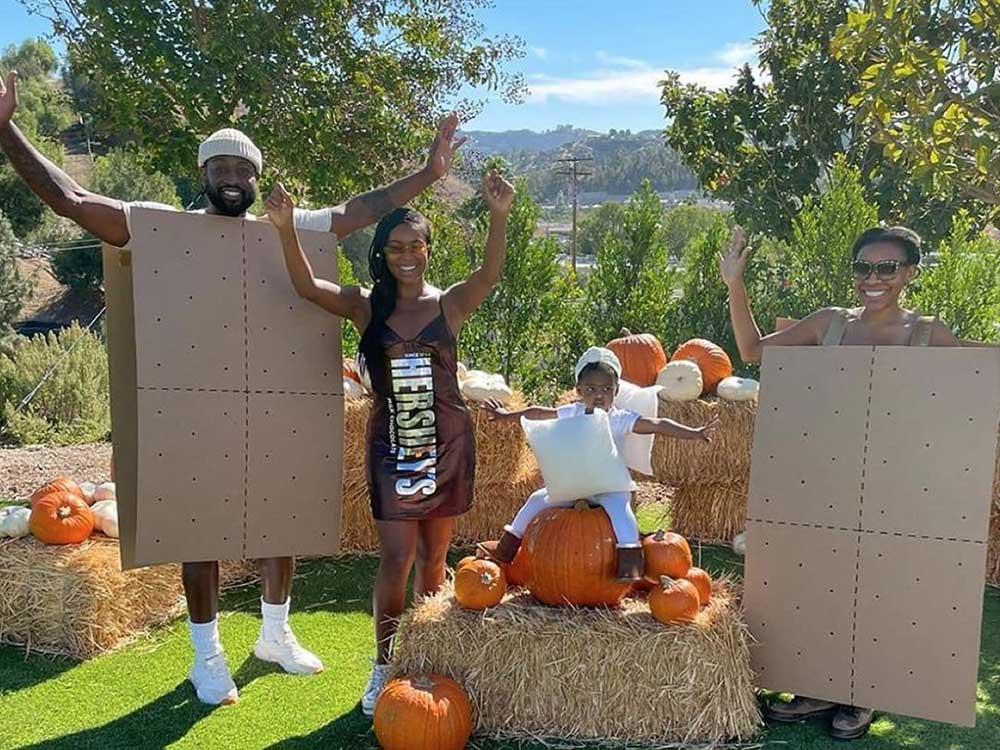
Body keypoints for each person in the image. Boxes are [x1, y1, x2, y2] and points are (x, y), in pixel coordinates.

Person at [0, 68, 467, 706]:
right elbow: (73, 200)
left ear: (255, 176)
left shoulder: (287, 224)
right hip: (197, 400)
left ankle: (275, 634)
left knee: (281, 514)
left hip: (277, 397)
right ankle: (206, 654)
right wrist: (8, 131)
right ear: (204, 174)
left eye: (242, 170)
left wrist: (429, 172)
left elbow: (365, 209)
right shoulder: (164, 226)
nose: (232, 178)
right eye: (220, 167)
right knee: (202, 527)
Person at [265, 169, 515, 715]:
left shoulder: (448, 305)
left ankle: (424, 659)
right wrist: (285, 228)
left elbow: (490, 275)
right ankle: (381, 668)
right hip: (391, 448)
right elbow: (309, 288)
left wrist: (498, 217)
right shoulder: (365, 305)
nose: (407, 255)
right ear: (382, 252)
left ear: (428, 250)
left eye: (416, 245)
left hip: (445, 444)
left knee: (434, 560)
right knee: (396, 557)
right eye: (396, 246)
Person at [720, 223, 960, 740]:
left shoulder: (929, 335)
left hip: (895, 484)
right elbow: (752, 351)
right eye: (863, 268)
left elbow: (962, 405)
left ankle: (863, 691)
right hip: (823, 477)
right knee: (815, 579)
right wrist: (734, 282)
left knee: (879, 586)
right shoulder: (829, 324)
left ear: (909, 274)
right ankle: (817, 686)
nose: (872, 278)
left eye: (886, 268)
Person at [482, 347, 718, 580]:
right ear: (579, 390)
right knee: (536, 500)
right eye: (591, 389)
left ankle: (630, 566)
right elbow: (539, 413)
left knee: (622, 514)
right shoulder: (572, 412)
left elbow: (656, 423)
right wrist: (507, 416)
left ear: (615, 392)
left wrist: (694, 432)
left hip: (609, 488)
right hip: (574, 487)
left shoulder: (619, 418)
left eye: (606, 389)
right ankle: (505, 551)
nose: (599, 395)